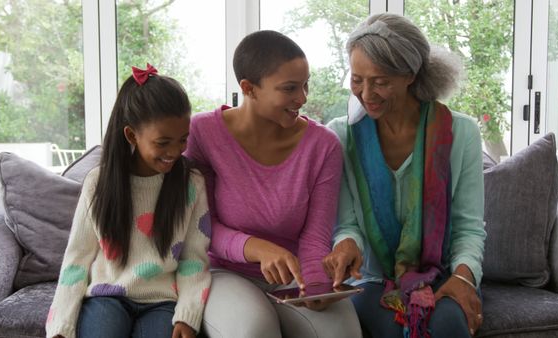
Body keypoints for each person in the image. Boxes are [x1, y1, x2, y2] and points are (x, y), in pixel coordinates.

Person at [185, 30, 361, 338]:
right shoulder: (203, 133)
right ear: (249, 88)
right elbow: (200, 226)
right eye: (290, 88)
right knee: (254, 329)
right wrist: (257, 248)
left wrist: (316, 285)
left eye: (306, 84)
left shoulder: (323, 145)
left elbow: (316, 234)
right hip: (226, 271)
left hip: (293, 274)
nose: (303, 98)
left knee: (341, 334)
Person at [323, 13, 486, 338]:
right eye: (357, 79)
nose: (366, 94)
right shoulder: (341, 136)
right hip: (371, 279)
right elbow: (348, 224)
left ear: (410, 74)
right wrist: (345, 246)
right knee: (399, 328)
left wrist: (464, 277)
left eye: (380, 81)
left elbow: (469, 227)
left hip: (441, 274)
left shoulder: (461, 132)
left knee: (448, 324)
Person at [45, 64, 211, 338]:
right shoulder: (98, 183)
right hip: (106, 297)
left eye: (183, 140)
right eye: (163, 142)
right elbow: (76, 259)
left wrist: (188, 316)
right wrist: (60, 326)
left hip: (162, 302)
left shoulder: (191, 183)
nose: (175, 151)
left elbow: (195, 258)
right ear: (132, 135)